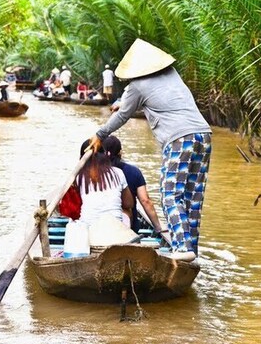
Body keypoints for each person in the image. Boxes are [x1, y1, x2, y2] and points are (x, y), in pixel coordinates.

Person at [88, 39, 212, 262]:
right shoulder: (172, 73)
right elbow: (148, 96)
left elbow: (123, 115)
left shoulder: (137, 86)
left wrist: (100, 134)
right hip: (203, 135)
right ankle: (191, 248)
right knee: (193, 196)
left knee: (170, 193)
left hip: (179, 139)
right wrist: (123, 102)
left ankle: (182, 248)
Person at [102, 135, 163, 235]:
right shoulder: (134, 172)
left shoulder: (95, 173)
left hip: (100, 223)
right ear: (120, 152)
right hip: (129, 226)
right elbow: (145, 201)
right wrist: (158, 228)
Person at [76, 139, 135, 227]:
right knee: (127, 211)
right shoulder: (118, 172)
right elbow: (129, 203)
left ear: (82, 158)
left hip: (88, 225)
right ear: (105, 156)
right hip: (115, 226)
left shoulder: (78, 176)